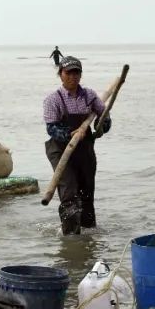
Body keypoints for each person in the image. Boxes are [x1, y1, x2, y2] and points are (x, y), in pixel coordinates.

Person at [42, 56, 112, 234]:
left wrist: (101, 125)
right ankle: (70, 237)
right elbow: (51, 128)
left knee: (87, 192)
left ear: (81, 75)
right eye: (68, 73)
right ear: (61, 74)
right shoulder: (53, 100)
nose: (73, 76)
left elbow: (104, 117)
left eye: (76, 72)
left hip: (85, 150)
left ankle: (88, 235)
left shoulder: (89, 95)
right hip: (60, 150)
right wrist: (69, 134)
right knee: (69, 191)